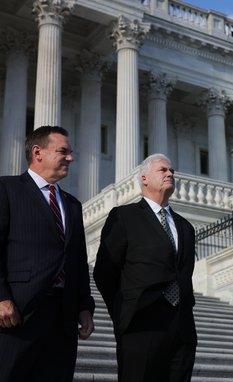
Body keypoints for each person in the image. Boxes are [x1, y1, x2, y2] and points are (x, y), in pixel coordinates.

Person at [0, 126, 95, 382]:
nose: (71, 158)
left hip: (62, 322)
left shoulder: (73, 205)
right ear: (38, 152)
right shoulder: (3, 188)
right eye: (63, 152)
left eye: (71, 153)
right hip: (14, 316)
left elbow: (78, 261)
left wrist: (84, 307)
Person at [93, 154, 197, 382]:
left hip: (182, 327)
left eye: (172, 171)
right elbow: (104, 272)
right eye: (162, 170)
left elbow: (184, 272)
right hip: (140, 323)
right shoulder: (124, 216)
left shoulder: (186, 227)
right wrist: (125, 311)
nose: (170, 174)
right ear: (144, 179)